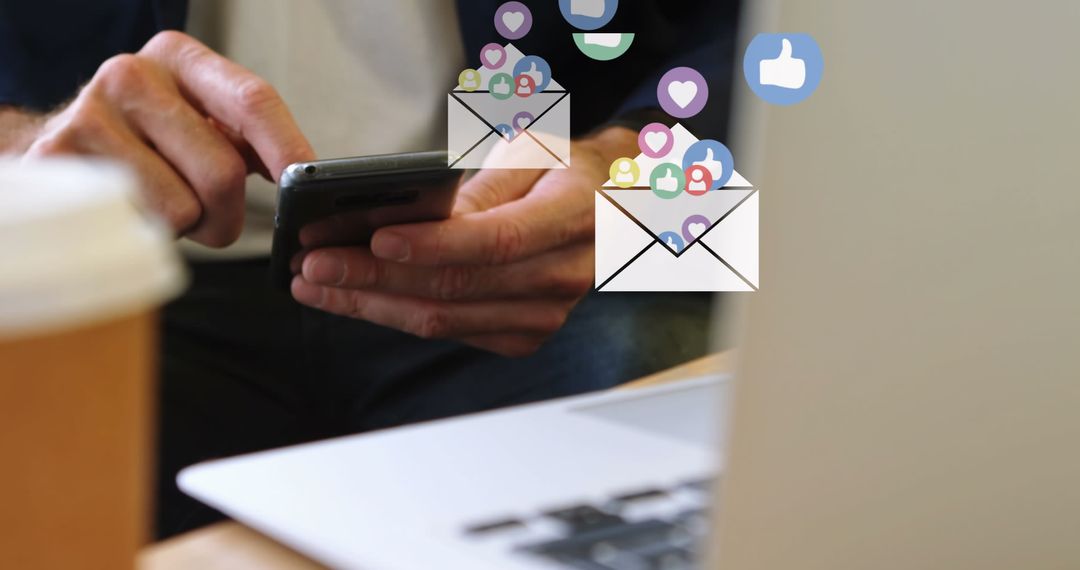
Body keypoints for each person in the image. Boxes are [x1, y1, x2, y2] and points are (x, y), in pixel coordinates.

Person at [0, 0, 741, 536]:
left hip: (530, 246)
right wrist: (28, 152)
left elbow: (782, 31)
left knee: (708, 457)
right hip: (116, 274)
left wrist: (636, 166)